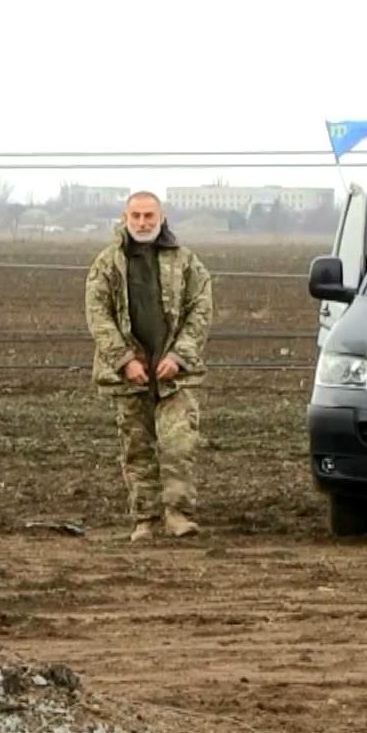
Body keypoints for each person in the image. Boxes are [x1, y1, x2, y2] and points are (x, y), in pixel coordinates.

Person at [84, 191, 213, 542]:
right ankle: (145, 521)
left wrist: (179, 357)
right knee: (137, 450)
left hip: (175, 376)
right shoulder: (107, 264)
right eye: (136, 216)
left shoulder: (187, 263)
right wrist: (125, 361)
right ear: (125, 217)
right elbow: (98, 317)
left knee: (178, 447)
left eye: (149, 216)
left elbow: (200, 311)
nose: (143, 223)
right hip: (128, 378)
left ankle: (179, 516)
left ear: (161, 218)